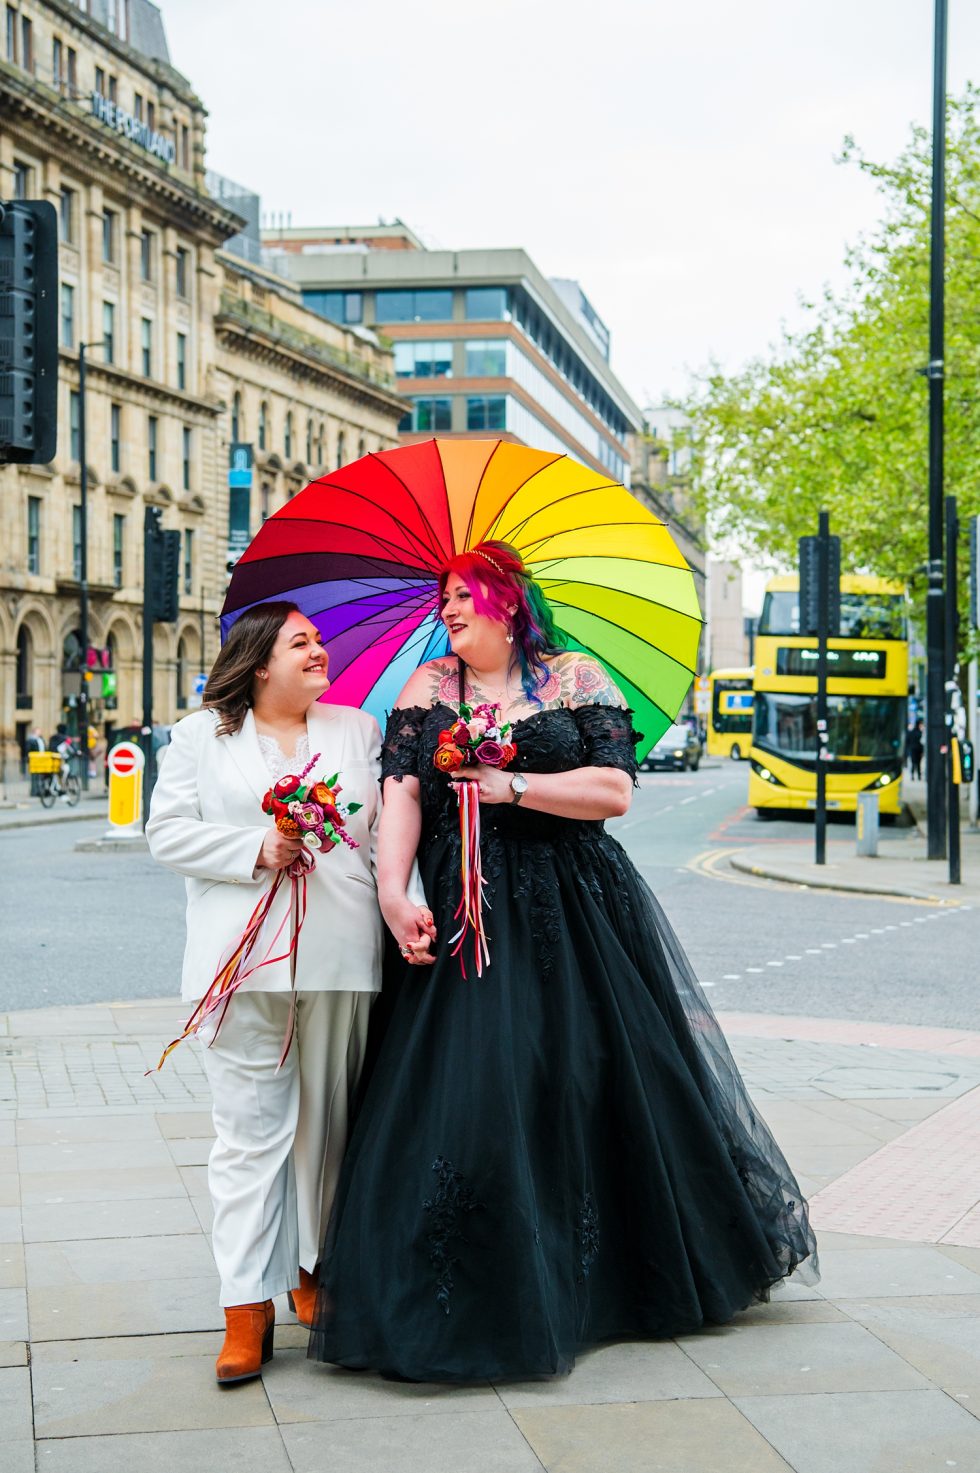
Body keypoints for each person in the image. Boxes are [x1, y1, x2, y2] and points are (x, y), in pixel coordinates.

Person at [308, 541, 817, 1384]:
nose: (449, 611)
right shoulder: (428, 689)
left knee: (578, 1073)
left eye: (463, 596)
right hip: (459, 902)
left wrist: (509, 785)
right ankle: (466, 1287)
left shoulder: (574, 678)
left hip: (569, 906)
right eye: (443, 600)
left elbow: (613, 790)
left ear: (507, 600)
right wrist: (394, 891)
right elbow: (399, 793)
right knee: (465, 1086)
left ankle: (596, 1283)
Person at [146, 601, 434, 1387]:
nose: (320, 651)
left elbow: (383, 839)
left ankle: (313, 1271)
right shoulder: (198, 736)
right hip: (240, 966)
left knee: (328, 1129)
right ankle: (246, 1306)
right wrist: (256, 846)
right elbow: (166, 833)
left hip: (340, 955)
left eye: (318, 640)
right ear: (259, 661)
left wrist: (404, 903)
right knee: (247, 1133)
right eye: (300, 641)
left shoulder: (357, 731)